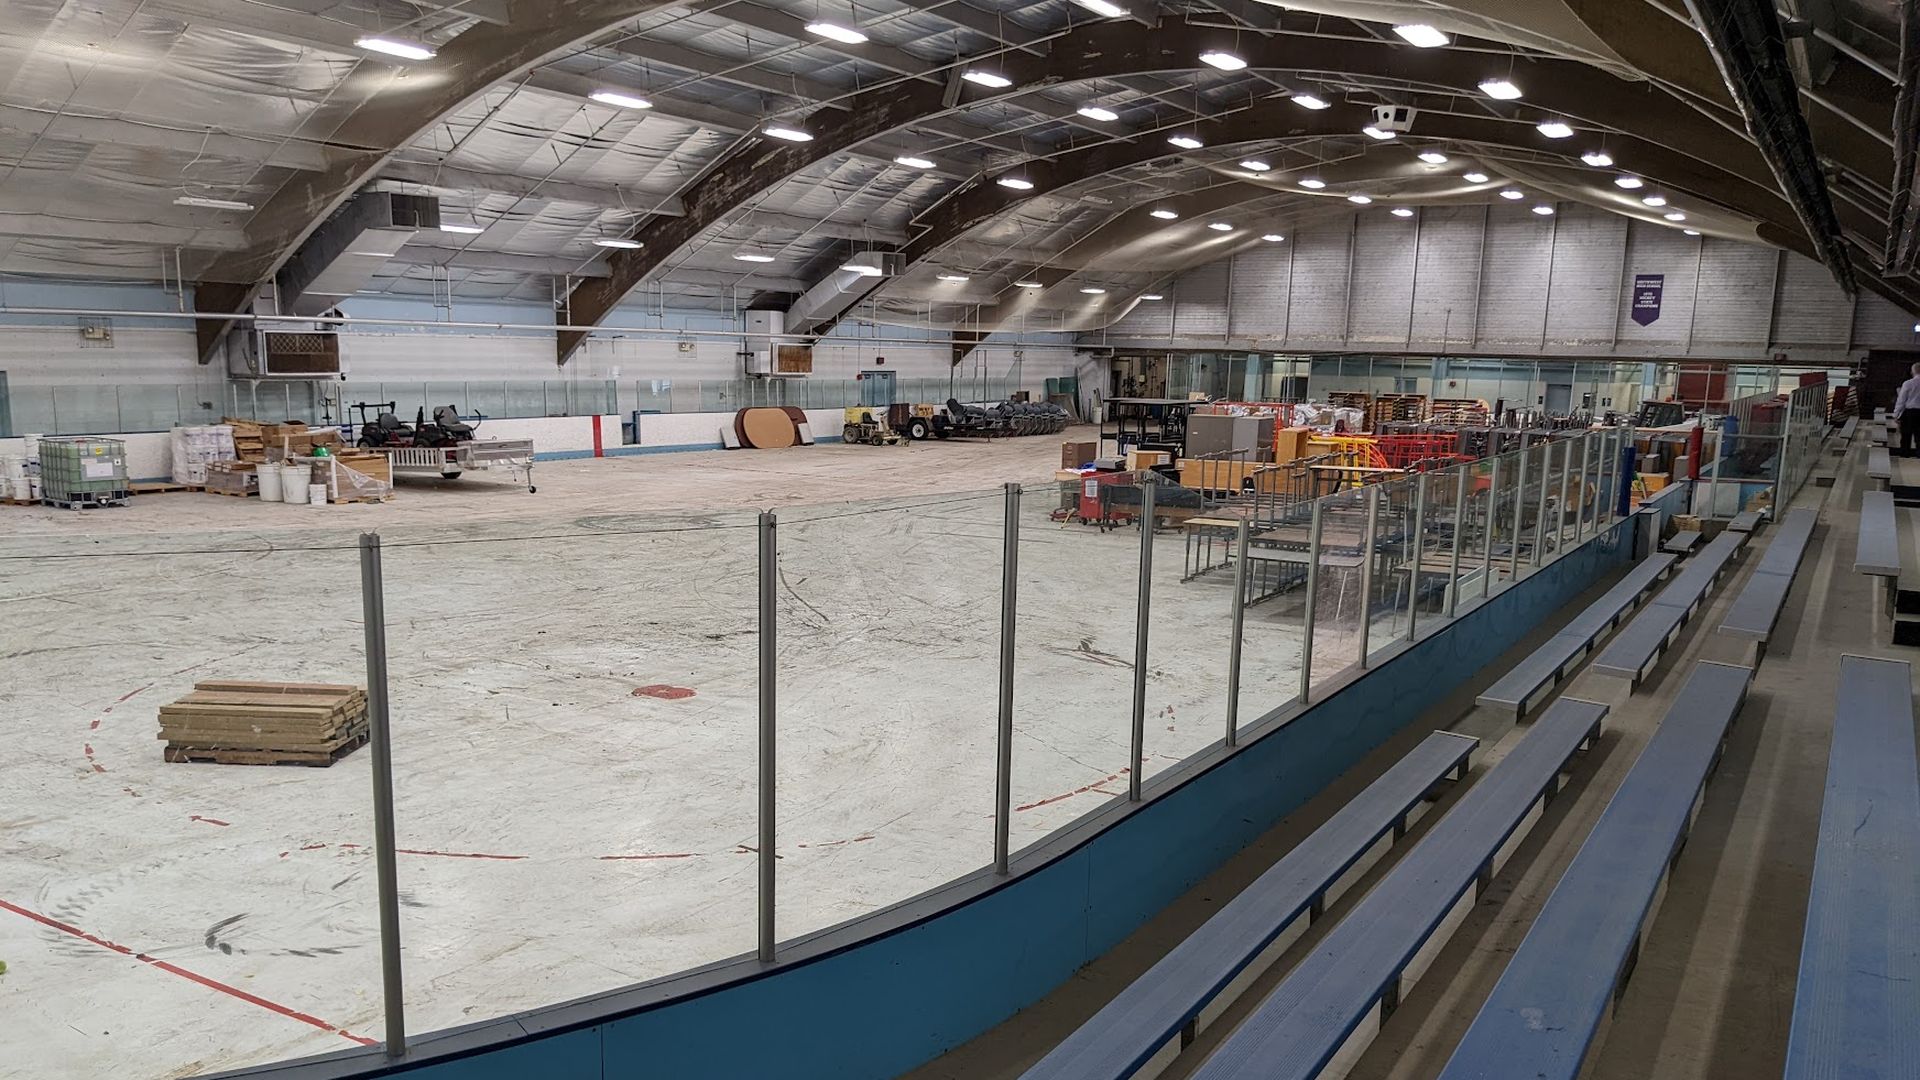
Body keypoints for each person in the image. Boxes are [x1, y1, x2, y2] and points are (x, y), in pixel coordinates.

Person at [1899, 362, 1920, 456]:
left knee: (1906, 435)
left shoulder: (1908, 383)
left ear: (1913, 371)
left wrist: (1896, 414)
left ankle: (1904, 453)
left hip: (1909, 412)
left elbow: (1901, 400)